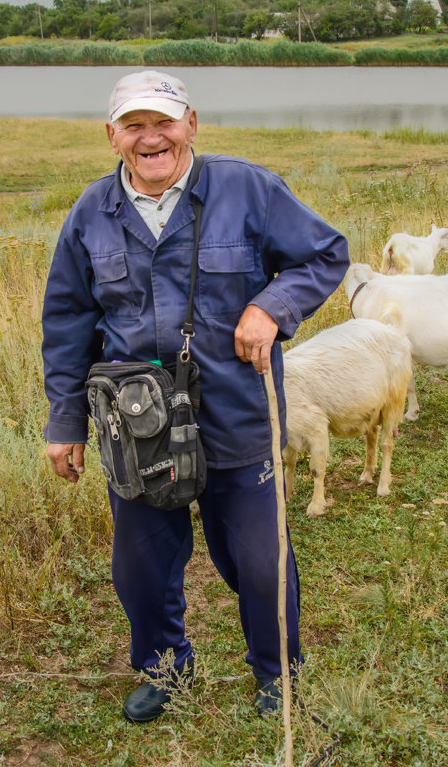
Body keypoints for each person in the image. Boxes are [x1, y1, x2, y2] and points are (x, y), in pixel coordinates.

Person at [42, 70, 349, 723]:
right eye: (134, 125)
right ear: (111, 136)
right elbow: (67, 322)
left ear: (192, 125)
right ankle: (165, 668)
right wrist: (64, 421)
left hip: (237, 414)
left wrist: (272, 306)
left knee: (260, 563)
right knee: (141, 568)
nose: (151, 137)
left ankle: (278, 677)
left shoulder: (247, 189)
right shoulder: (90, 216)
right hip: (137, 429)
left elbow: (325, 255)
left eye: (164, 121)